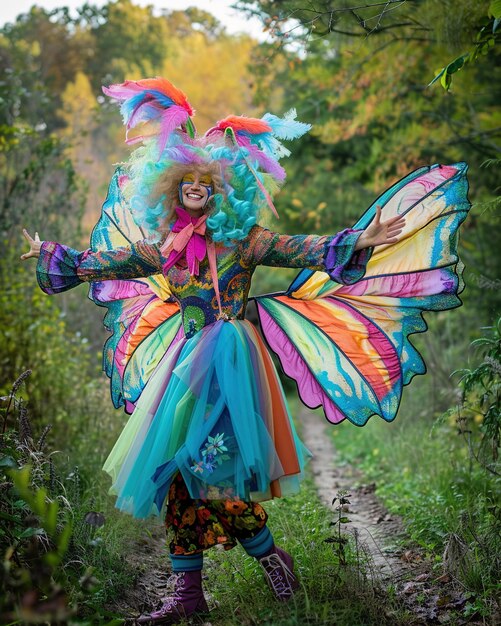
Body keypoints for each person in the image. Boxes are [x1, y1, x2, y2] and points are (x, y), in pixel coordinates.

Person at [21, 78, 470, 624]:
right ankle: (188, 599)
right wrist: (51, 254)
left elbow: (299, 247)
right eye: (184, 181)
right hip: (182, 367)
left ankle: (272, 560)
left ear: (219, 190)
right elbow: (104, 263)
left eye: (204, 183)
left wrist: (359, 240)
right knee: (173, 475)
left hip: (229, 363)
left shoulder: (244, 241)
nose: (194, 188)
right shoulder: (163, 249)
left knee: (210, 474)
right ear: (170, 188)